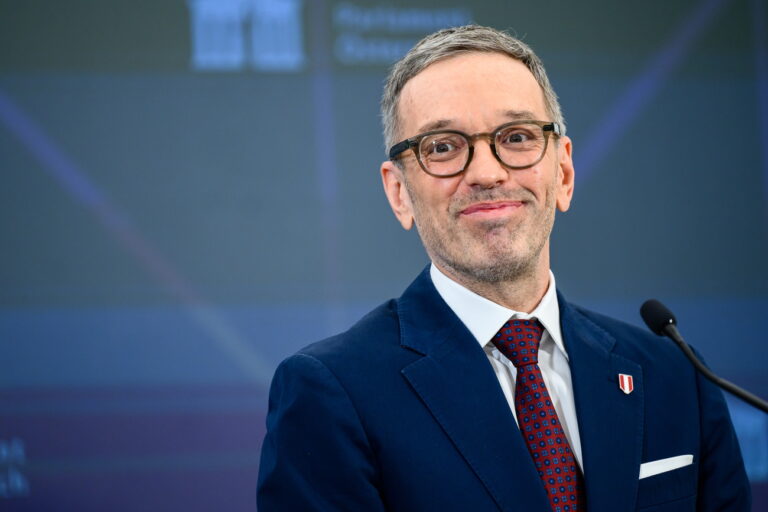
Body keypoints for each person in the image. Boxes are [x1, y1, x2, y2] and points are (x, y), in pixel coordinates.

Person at [257, 25, 750, 511]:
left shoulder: (674, 374)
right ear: (399, 192)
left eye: (515, 137)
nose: (487, 173)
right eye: (443, 147)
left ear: (563, 173)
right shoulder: (330, 394)